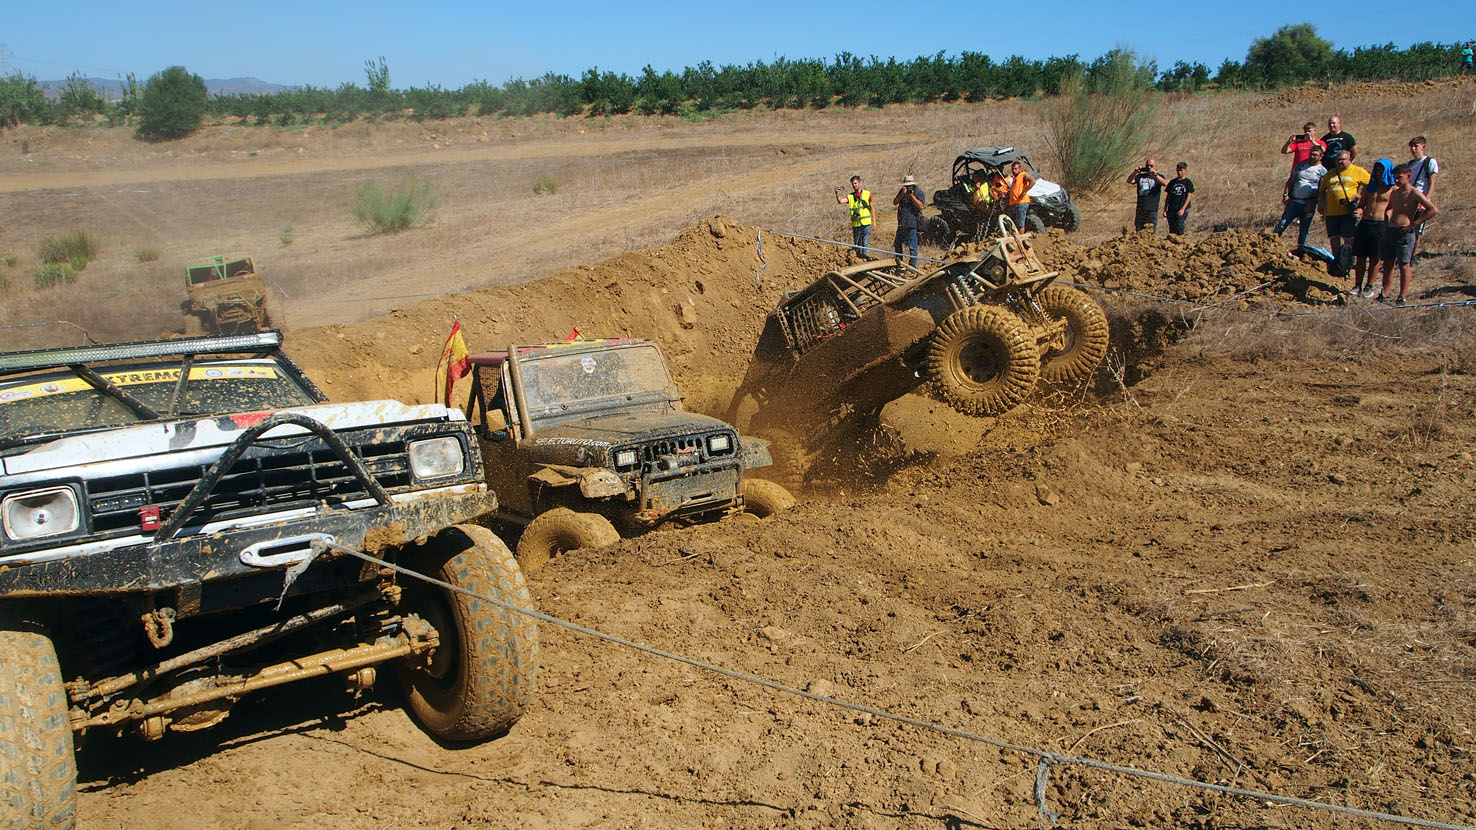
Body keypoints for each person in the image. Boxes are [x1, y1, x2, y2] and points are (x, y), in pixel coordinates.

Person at [1376, 163, 1439, 304]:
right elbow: (1390, 208)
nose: (1397, 181)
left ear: (1408, 176)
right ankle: (1384, 293)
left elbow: (1433, 210)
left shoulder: (1414, 193)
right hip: (1391, 230)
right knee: (1388, 263)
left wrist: (1416, 223)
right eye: (1395, 178)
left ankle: (1402, 295)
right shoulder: (1394, 193)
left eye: (1400, 178)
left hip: (1405, 231)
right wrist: (1386, 221)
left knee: (1404, 264)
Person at [1316, 150, 1369, 276]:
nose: (1339, 162)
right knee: (1334, 239)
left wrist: (1360, 196)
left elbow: (1371, 186)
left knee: (1348, 238)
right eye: (1338, 160)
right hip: (1331, 213)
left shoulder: (1358, 171)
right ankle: (1337, 263)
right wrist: (1321, 203)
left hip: (1347, 212)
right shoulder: (1330, 174)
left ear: (1349, 160)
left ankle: (1348, 263)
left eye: (1342, 159)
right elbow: (1322, 190)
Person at [1350, 159, 1394, 297]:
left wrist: (1389, 218)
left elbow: (1393, 207)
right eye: (1377, 169)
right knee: (1360, 256)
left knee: (1375, 258)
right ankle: (1357, 284)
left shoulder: (1392, 189)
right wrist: (1359, 211)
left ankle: (1369, 285)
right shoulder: (1369, 187)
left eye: (1381, 170)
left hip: (1380, 225)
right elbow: (1362, 205)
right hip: (1365, 223)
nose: (1379, 172)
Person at [1276, 145, 1326, 249]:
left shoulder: (1322, 171)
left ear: (1321, 156)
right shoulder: (1300, 166)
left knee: (1304, 230)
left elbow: (1322, 190)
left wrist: (1315, 203)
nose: (1312, 156)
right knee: (1282, 224)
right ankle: (1271, 243)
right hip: (1294, 202)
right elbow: (1290, 181)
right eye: (1311, 154)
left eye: (1315, 155)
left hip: (1308, 204)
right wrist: (1286, 195)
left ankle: (1300, 249)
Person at [1406, 136, 1439, 259]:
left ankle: (1411, 258)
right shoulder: (1409, 164)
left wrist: (1426, 200)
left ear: (1423, 147)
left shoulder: (1429, 162)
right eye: (1412, 147)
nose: (1414, 149)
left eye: (1416, 146)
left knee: (1417, 231)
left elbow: (1432, 182)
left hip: (1421, 201)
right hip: (1410, 201)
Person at [835, 175, 873, 258]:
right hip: (856, 224)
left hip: (866, 223)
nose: (854, 185)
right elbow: (840, 201)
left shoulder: (867, 194)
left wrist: (874, 222)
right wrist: (837, 194)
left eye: (855, 183)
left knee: (865, 243)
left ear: (860, 183)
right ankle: (857, 259)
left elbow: (872, 208)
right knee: (857, 244)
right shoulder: (850, 196)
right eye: (853, 184)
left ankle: (864, 259)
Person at [892, 174, 925, 268]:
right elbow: (895, 202)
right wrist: (902, 194)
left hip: (912, 222)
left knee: (912, 246)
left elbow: (921, 206)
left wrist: (912, 196)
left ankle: (912, 265)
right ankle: (899, 263)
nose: (907, 187)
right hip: (902, 223)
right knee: (897, 243)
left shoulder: (918, 192)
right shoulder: (902, 191)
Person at [1127, 158, 1167, 232]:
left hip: (1152, 209)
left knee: (1150, 231)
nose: (1149, 168)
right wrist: (1134, 172)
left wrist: (1155, 174)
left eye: (1151, 166)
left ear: (1155, 166)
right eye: (1147, 166)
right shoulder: (1140, 176)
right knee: (1139, 230)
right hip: (1141, 208)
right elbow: (1129, 181)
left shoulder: (1159, 176)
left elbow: (1165, 183)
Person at [1163, 162, 1194, 235]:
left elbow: (1189, 196)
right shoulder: (1172, 182)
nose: (1179, 172)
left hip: (1181, 208)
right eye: (1178, 170)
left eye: (1181, 170)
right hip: (1172, 209)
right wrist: (1165, 209)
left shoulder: (1188, 182)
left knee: (1179, 226)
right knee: (1172, 229)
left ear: (1185, 171)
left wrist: (1183, 209)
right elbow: (1168, 196)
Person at [1007, 160, 1035, 230]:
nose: (1014, 170)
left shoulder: (1023, 175)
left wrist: (1024, 191)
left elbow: (1033, 181)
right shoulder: (1014, 179)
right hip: (1015, 204)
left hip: (1021, 203)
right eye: (1013, 169)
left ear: (1020, 168)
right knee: (1015, 224)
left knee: (1020, 224)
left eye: (1015, 169)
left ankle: (1020, 239)